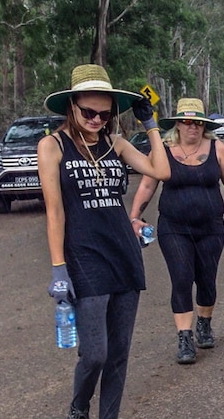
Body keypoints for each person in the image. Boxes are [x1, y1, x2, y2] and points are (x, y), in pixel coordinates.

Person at [38, 64, 171, 419]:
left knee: (118, 355)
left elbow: (161, 171)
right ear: (72, 105)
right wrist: (57, 269)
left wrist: (151, 124)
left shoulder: (117, 143)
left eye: (104, 114)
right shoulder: (53, 146)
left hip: (124, 254)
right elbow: (55, 212)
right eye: (89, 112)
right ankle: (79, 407)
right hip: (84, 257)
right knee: (95, 352)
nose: (97, 119)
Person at [128, 98, 224, 365]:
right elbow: (147, 186)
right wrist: (134, 216)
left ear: (205, 126)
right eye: (187, 122)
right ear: (177, 124)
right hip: (174, 228)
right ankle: (184, 337)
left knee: (206, 279)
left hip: (211, 228)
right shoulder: (163, 151)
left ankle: (204, 323)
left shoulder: (218, 148)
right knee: (181, 278)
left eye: (198, 123)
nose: (193, 127)